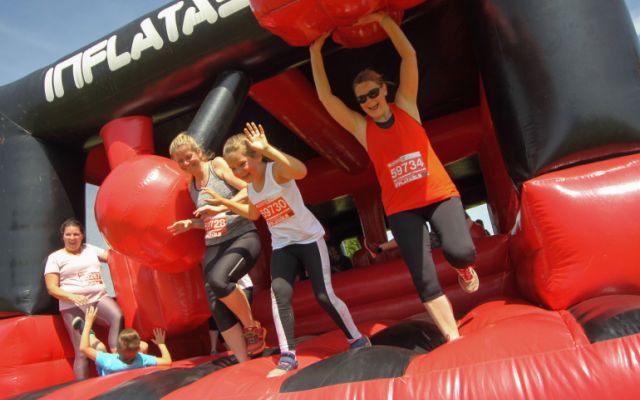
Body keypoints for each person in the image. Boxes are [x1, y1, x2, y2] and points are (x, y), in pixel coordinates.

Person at [309, 12, 479, 343]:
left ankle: (463, 267)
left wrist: (385, 22)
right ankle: (452, 337)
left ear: (383, 90)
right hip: (402, 210)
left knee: (461, 251)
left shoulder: (406, 106)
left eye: (373, 94)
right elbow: (326, 99)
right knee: (424, 277)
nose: (369, 101)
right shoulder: (362, 128)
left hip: (439, 194)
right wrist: (315, 54)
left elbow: (409, 56)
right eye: (362, 99)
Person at [209, 122, 370, 378]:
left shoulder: (276, 172)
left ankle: (357, 338)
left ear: (257, 155)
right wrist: (224, 203)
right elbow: (253, 213)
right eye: (234, 168)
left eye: (242, 163)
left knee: (323, 296)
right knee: (279, 294)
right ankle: (288, 355)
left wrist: (269, 148)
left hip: (308, 239)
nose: (240, 171)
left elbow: (302, 170)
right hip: (283, 245)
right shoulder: (250, 188)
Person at [167, 133, 266, 362]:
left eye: (188, 156)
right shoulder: (192, 186)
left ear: (198, 152)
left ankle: (252, 327)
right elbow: (210, 218)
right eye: (179, 161)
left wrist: (222, 204)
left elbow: (249, 189)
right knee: (215, 304)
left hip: (241, 236)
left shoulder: (217, 165)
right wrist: (191, 223)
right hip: (214, 242)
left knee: (219, 280)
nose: (185, 163)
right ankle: (243, 361)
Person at [44, 218, 124, 379]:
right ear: (63, 237)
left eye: (75, 234)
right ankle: (82, 389)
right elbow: (52, 288)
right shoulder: (56, 257)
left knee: (118, 316)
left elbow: (112, 257)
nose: (72, 238)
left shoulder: (90, 249)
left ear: (82, 236)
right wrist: (72, 296)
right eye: (68, 235)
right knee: (82, 350)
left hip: (98, 297)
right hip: (73, 304)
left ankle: (116, 357)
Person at [79, 306, 171, 376]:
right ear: (138, 350)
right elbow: (167, 361)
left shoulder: (108, 361)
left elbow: (84, 348)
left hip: (108, 376)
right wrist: (161, 344)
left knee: (100, 347)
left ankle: (89, 333)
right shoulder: (142, 359)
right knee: (145, 346)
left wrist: (88, 322)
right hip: (131, 371)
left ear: (117, 350)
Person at [208, 273, 254, 355]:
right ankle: (215, 349)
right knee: (216, 315)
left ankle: (249, 342)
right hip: (224, 290)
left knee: (237, 319)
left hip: (242, 288)